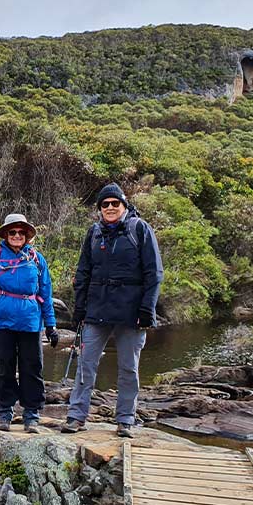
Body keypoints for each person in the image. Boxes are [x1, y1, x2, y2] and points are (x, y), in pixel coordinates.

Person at [63, 183, 163, 438]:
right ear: (99, 209)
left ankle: (125, 420)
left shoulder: (140, 229)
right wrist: (79, 309)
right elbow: (83, 272)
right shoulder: (93, 233)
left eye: (114, 203)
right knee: (86, 365)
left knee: (129, 368)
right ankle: (76, 416)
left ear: (124, 205)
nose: (109, 207)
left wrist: (147, 310)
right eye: (104, 204)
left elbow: (154, 274)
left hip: (131, 312)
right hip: (96, 309)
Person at [0, 213, 59, 434]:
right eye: (12, 232)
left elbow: (46, 293)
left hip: (31, 321)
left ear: (27, 235)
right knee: (5, 367)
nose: (17, 235)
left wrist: (51, 326)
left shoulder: (37, 259)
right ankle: (4, 411)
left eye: (21, 232)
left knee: (31, 367)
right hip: (2, 321)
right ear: (5, 234)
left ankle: (31, 414)